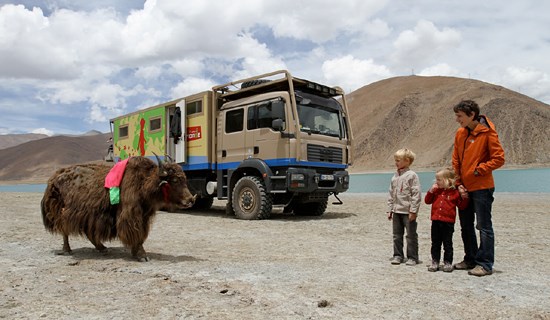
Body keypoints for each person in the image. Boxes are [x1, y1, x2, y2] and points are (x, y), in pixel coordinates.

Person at [452, 100, 505, 277]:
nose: (457, 119)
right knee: (465, 226)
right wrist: (458, 183)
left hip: (482, 187)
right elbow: (456, 160)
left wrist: (479, 170)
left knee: (483, 226)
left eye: (460, 116)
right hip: (464, 188)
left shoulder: (487, 133)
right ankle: (470, 259)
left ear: (471, 114)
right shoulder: (460, 133)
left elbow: (499, 158)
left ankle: (485, 264)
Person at [424, 168, 469, 272]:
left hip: (448, 223)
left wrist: (464, 197)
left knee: (447, 243)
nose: (436, 182)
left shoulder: (455, 193)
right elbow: (427, 201)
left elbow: (462, 206)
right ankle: (435, 261)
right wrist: (431, 191)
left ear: (447, 180)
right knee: (435, 243)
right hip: (435, 221)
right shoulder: (436, 192)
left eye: (439, 180)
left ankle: (448, 262)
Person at [387, 148, 422, 266]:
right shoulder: (395, 176)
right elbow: (391, 194)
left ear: (407, 161)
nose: (396, 162)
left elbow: (416, 194)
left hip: (408, 211)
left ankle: (413, 257)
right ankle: (397, 255)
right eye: (395, 160)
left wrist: (413, 210)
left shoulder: (412, 176)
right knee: (397, 235)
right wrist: (390, 209)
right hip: (396, 211)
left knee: (411, 235)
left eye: (398, 160)